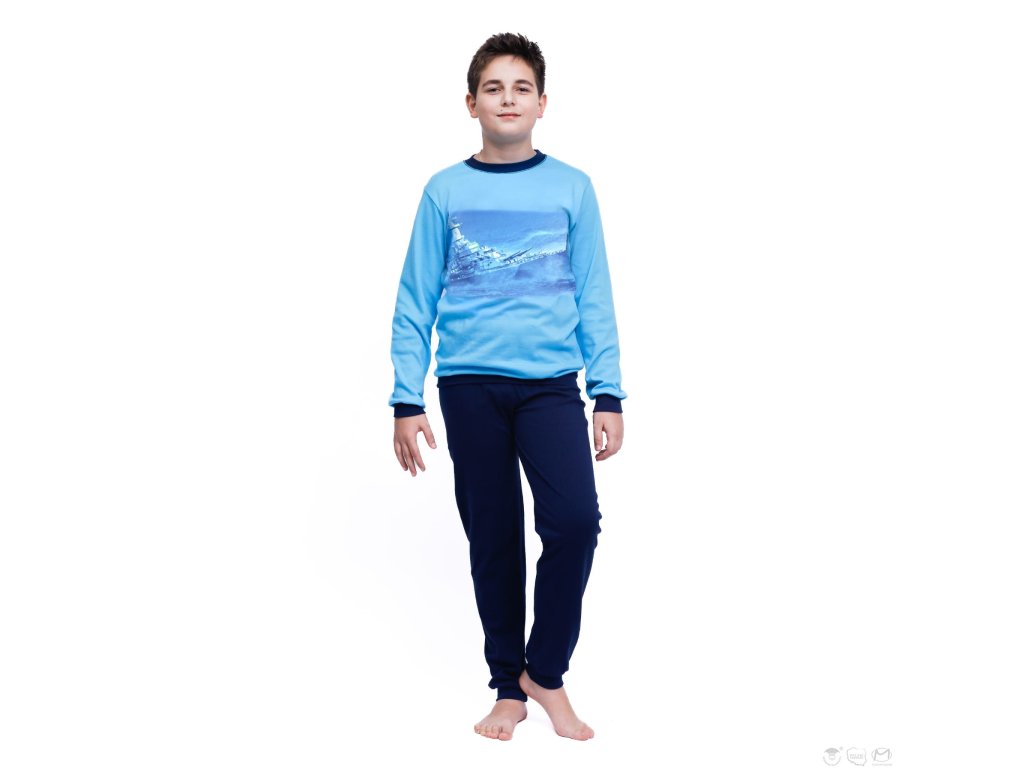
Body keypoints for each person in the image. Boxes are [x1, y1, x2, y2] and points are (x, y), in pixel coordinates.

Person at [387, 32, 627, 742]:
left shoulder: (572, 187)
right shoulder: (445, 190)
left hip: (550, 385)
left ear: (543, 103)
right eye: (493, 88)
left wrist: (607, 391)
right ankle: (506, 686)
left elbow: (594, 293)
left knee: (574, 523)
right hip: (469, 386)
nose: (508, 99)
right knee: (494, 536)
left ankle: (543, 673)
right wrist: (406, 398)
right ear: (472, 103)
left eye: (521, 88)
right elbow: (414, 298)